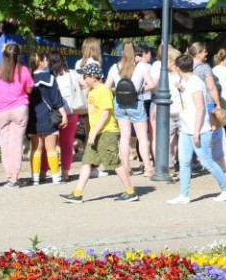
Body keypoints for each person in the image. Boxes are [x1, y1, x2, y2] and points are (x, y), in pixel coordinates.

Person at [61, 62, 138, 203]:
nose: (83, 79)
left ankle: (130, 191)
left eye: (85, 76)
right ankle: (77, 193)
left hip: (107, 132)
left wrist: (94, 132)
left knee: (113, 161)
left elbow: (105, 113)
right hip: (96, 133)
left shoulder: (103, 91)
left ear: (92, 77)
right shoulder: (92, 91)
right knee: (87, 161)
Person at [166, 54, 226, 204]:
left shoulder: (196, 83)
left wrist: (196, 132)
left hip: (199, 130)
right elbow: (192, 100)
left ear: (178, 68)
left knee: (207, 161)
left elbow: (200, 108)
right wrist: (182, 89)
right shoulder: (189, 82)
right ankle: (184, 195)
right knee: (184, 162)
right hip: (186, 129)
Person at [105, 42, 156, 176]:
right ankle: (148, 168)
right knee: (142, 136)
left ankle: (126, 168)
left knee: (124, 137)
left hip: (120, 104)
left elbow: (106, 87)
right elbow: (151, 85)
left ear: (121, 52)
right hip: (136, 103)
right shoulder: (140, 67)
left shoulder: (114, 67)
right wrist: (139, 90)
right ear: (135, 53)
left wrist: (118, 90)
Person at [0, 43, 33, 188]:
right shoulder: (23, 70)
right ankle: (15, 176)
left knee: (5, 144)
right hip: (20, 108)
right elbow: (30, 89)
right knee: (16, 143)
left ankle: (9, 176)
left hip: (1, 110)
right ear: (19, 55)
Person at [29, 52, 69, 185]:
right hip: (48, 115)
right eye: (46, 60)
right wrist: (63, 114)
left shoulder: (28, 78)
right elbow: (57, 99)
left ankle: (35, 177)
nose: (47, 62)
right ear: (40, 62)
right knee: (51, 148)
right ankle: (56, 177)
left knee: (36, 148)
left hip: (33, 116)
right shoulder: (50, 77)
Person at [51, 52, 85, 182]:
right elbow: (84, 84)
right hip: (71, 111)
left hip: (54, 113)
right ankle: (65, 172)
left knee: (49, 144)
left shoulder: (51, 76)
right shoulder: (72, 73)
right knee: (67, 144)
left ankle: (45, 171)